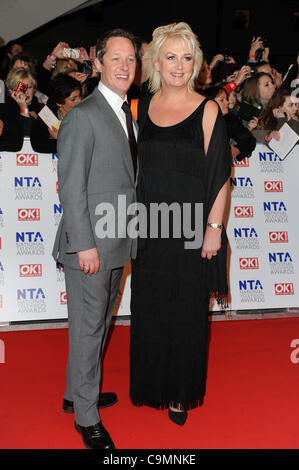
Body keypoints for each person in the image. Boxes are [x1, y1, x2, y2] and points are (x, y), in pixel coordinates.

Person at [130, 22, 231, 425]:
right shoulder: (143, 103)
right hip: (150, 227)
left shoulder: (208, 109)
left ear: (197, 64)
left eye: (187, 58)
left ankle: (179, 394)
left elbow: (220, 174)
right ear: (156, 60)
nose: (179, 66)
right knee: (150, 308)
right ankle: (152, 383)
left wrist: (214, 229)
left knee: (187, 312)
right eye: (171, 57)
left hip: (192, 230)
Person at [52, 28, 138, 449]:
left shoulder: (126, 114)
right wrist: (84, 243)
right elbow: (70, 188)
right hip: (90, 245)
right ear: (99, 64)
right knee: (89, 330)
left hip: (117, 241)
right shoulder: (83, 115)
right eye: (116, 58)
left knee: (98, 326)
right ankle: (86, 417)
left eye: (131, 60)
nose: (124, 66)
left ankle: (76, 393)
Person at [31, 73, 82, 153]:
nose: (79, 101)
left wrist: (62, 139)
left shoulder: (86, 116)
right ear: (59, 103)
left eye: (80, 96)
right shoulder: (48, 115)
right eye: (73, 99)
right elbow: (38, 145)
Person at [204, 85, 256, 161]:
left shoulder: (230, 120)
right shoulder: (197, 121)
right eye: (222, 100)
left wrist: (238, 149)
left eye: (226, 99)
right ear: (209, 103)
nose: (227, 102)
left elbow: (249, 139)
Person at [0, 67, 42, 151]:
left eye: (29, 87)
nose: (26, 92)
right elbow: (21, 139)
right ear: (12, 91)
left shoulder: (41, 107)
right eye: (23, 88)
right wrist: (23, 108)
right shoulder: (4, 109)